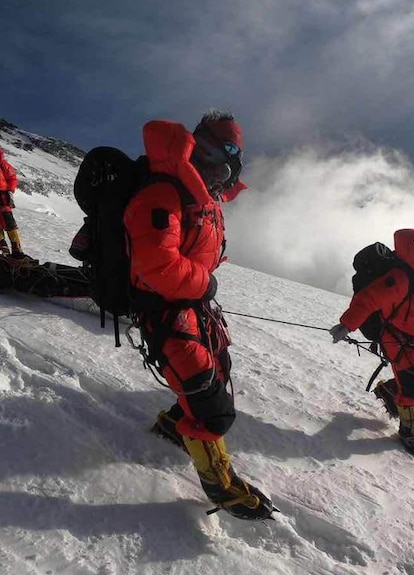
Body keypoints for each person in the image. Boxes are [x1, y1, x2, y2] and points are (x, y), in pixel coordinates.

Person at [130, 111, 273, 520]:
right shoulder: (164, 191)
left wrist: (201, 287)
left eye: (234, 154)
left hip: (192, 307)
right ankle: (220, 485)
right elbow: (156, 264)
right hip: (166, 309)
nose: (230, 164)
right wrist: (204, 284)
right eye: (226, 151)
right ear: (203, 148)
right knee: (212, 407)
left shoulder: (203, 195)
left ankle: (172, 426)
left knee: (218, 369)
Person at [330, 230, 414, 458]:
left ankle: (389, 391)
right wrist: (347, 325)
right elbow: (368, 300)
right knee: (412, 384)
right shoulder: (401, 277)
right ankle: (409, 432)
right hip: (397, 337)